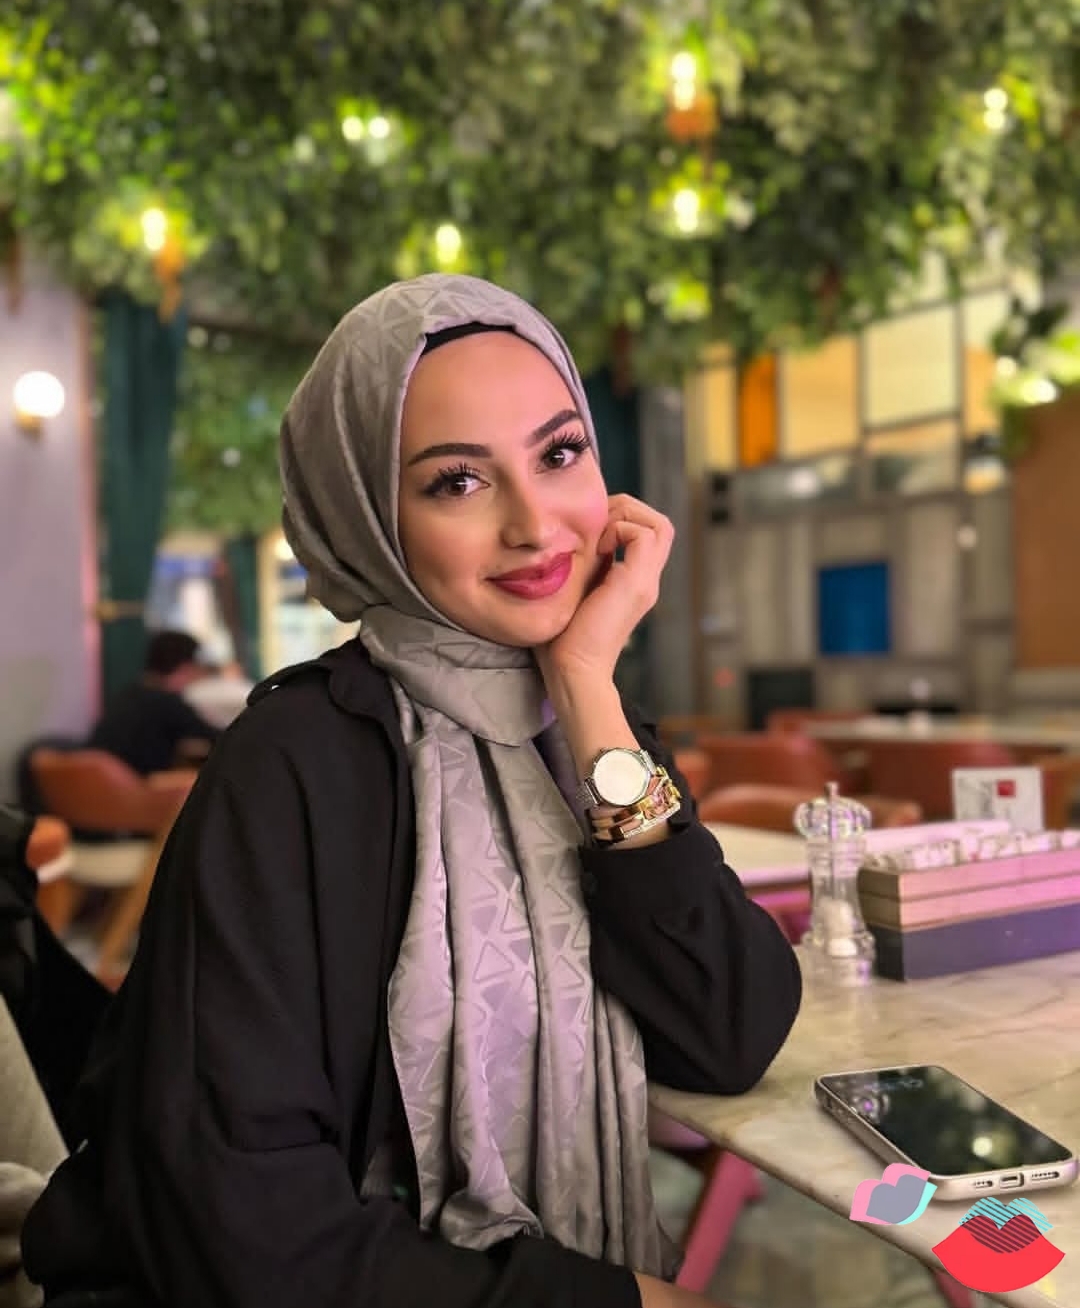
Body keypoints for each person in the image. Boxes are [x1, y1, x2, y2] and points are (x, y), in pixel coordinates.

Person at [23, 275, 802, 1308]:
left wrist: (586, 684)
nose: (536, 524)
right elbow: (241, 1221)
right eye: (458, 482)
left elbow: (730, 1030)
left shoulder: (579, 729)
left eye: (560, 454)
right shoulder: (292, 763)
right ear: (367, 516)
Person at [88, 630, 220, 775]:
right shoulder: (166, 702)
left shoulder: (129, 694)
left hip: (96, 781)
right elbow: (219, 739)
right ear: (185, 668)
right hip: (137, 785)